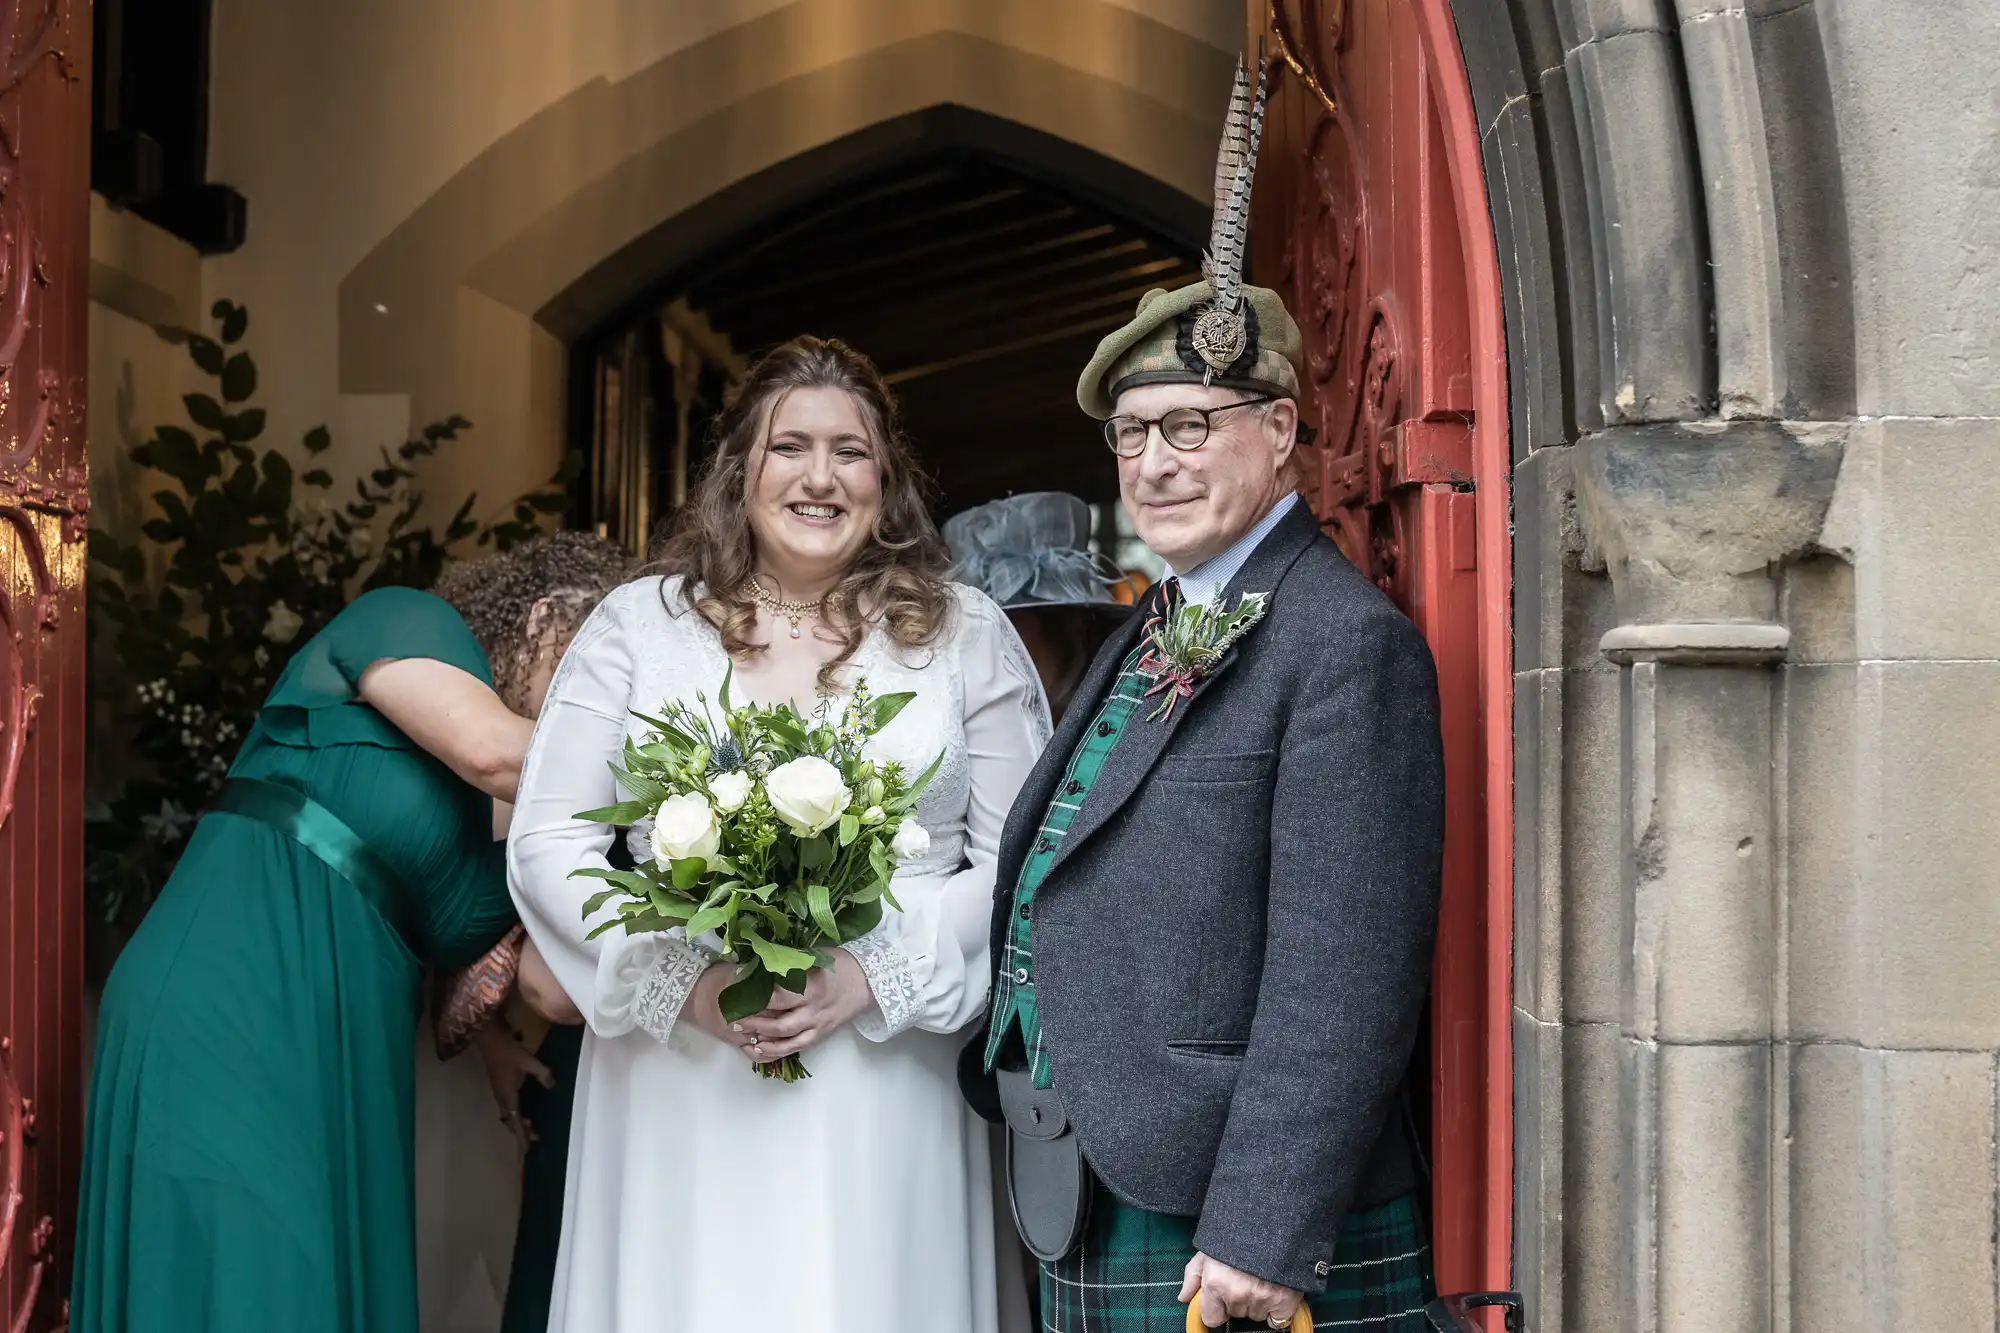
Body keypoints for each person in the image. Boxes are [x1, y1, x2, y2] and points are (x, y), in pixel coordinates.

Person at [961, 54, 1447, 1333]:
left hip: (1222, 1215)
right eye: (1133, 435)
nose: (1155, 463)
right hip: (1098, 1166)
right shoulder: (1152, 618)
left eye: (1191, 425)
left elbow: (1340, 972)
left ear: (1279, 432)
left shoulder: (1344, 645)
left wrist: (1262, 1234)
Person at [507, 335, 1050, 1333]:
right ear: (739, 470)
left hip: (887, 1073)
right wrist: (683, 983)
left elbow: (1024, 855)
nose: (818, 476)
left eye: (848, 451)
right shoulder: (638, 627)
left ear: (885, 479)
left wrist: (873, 976)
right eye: (788, 446)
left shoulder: (962, 633)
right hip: (683, 1072)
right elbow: (548, 843)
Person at [71, 530, 635, 1333]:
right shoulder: (409, 624)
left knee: (305, 1295)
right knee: (248, 1282)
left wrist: (493, 1042)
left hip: (346, 1049)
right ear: (546, 614)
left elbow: (548, 981)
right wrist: (693, 769)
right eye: (595, 662)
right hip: (229, 995)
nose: (601, 694)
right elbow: (483, 752)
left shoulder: (548, 812)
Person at [942, 491, 1134, 723]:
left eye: (1007, 626)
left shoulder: (1118, 718)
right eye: (971, 631)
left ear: (1072, 624)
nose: (991, 646)